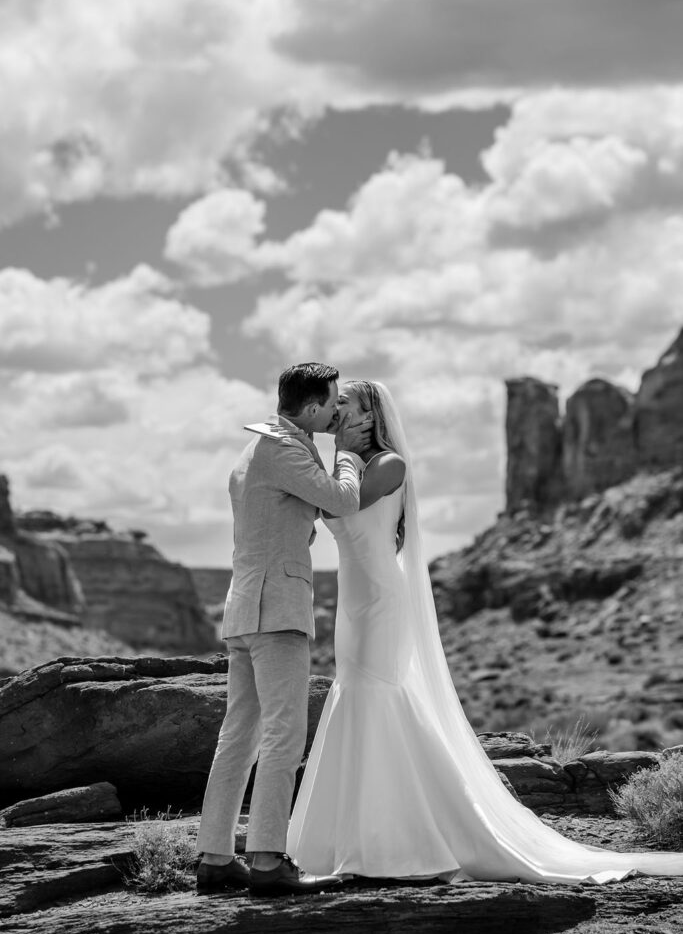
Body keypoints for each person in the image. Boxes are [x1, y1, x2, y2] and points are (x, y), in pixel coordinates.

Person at [287, 380, 683, 885]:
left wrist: (340, 453)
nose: (336, 410)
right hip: (353, 604)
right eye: (335, 403)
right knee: (357, 694)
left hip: (381, 603)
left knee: (374, 694)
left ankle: (399, 842)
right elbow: (325, 504)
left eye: (346, 404)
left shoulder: (389, 465)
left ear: (372, 416)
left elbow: (339, 507)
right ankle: (352, 836)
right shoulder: (349, 465)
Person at [196, 362, 370, 896]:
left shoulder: (254, 449)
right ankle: (269, 860)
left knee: (239, 733)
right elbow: (341, 500)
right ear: (314, 406)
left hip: (245, 607)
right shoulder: (285, 449)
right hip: (277, 609)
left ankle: (215, 857)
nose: (338, 411)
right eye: (334, 403)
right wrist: (348, 457)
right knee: (284, 732)